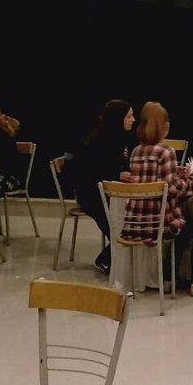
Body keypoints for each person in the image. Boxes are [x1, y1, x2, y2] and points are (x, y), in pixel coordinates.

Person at [125, 102, 193, 296]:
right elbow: (174, 190)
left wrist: (177, 173)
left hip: (135, 224)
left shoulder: (136, 151)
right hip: (157, 224)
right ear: (165, 127)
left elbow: (154, 179)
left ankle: (170, 277)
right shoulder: (166, 151)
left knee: (184, 227)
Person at [68, 100, 135, 274]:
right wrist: (117, 174)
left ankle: (121, 261)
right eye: (129, 116)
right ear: (118, 118)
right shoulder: (98, 140)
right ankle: (106, 260)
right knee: (122, 229)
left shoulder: (120, 137)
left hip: (110, 193)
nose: (133, 120)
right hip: (92, 196)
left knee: (131, 221)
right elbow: (89, 171)